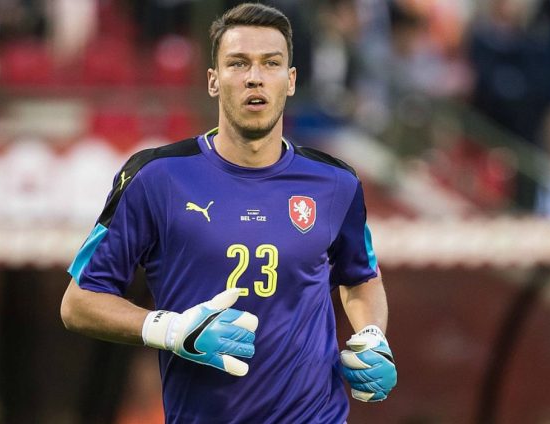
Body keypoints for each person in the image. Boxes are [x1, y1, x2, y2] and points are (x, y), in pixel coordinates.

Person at [60, 3, 397, 423]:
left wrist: (372, 335)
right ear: (213, 80)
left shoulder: (336, 183)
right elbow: (78, 303)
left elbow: (361, 276)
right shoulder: (156, 177)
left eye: (271, 63)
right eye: (238, 63)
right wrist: (170, 330)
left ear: (291, 80)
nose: (255, 76)